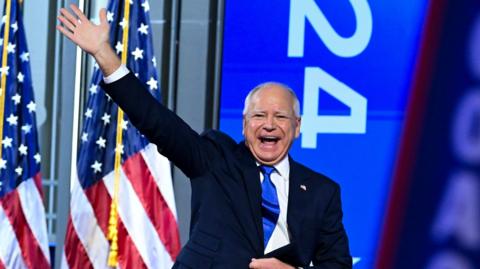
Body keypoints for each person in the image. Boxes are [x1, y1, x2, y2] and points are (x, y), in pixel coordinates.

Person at [57, 4, 352, 269]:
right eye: (259, 116)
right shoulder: (214, 159)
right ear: (245, 124)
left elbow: (337, 265)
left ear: (297, 126)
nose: (269, 125)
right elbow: (156, 121)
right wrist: (103, 54)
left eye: (281, 117)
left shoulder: (321, 192)